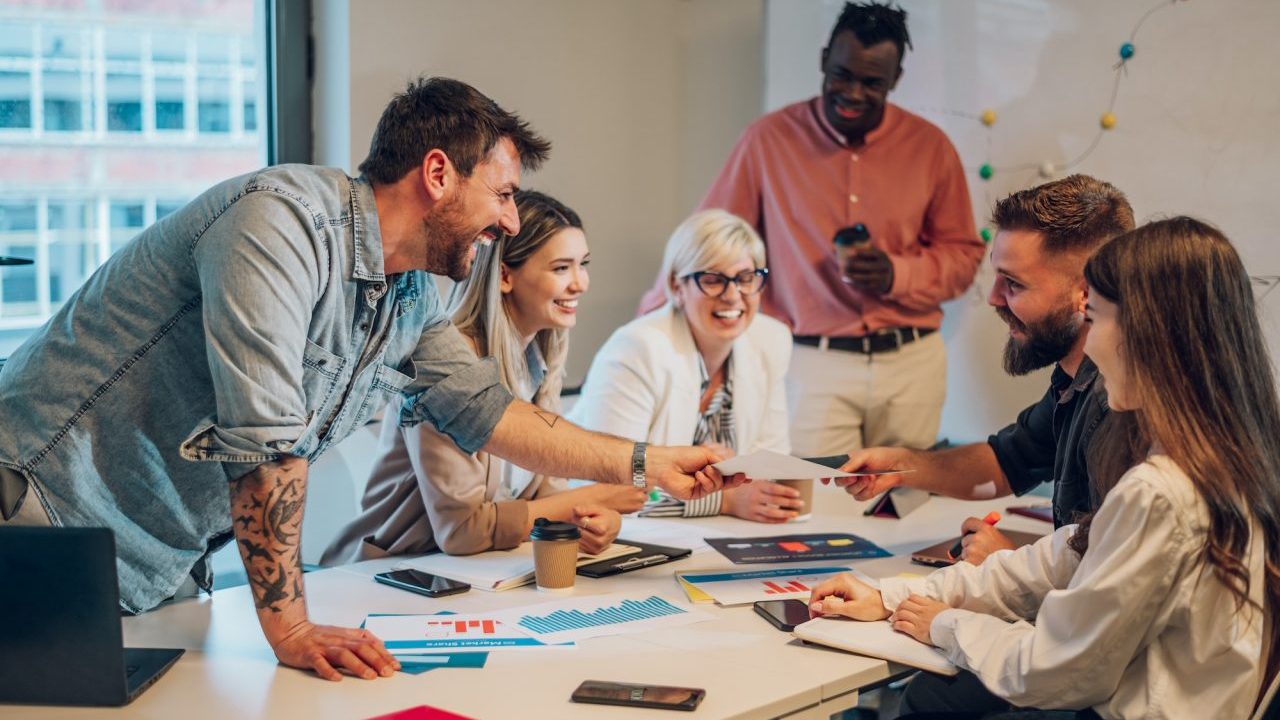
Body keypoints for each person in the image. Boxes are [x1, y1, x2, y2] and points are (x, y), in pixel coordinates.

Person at [0, 77, 736, 682]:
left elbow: (489, 413)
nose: (512, 221)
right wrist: (289, 627)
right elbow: (263, 442)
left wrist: (646, 462)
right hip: (33, 523)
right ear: (438, 173)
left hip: (139, 572)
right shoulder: (278, 224)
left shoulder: (407, 296)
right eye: (504, 194)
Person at [809, 217, 1279, 718]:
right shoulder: (1226, 454)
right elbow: (1064, 556)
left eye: (1094, 318)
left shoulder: (1161, 490)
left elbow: (1058, 669)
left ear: (1148, 333)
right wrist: (895, 595)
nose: (1090, 344)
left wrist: (943, 623)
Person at [639, 1, 983, 457]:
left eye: (872, 82)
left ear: (896, 79)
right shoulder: (767, 140)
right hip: (808, 362)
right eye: (842, 74)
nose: (853, 92)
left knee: (902, 507)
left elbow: (963, 258)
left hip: (911, 363)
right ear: (823, 60)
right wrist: (648, 328)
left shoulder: (932, 148)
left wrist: (895, 275)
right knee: (810, 505)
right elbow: (706, 240)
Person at [322, 190, 645, 565]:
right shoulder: (446, 365)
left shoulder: (539, 361)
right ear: (505, 275)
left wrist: (586, 520)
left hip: (478, 575)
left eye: (582, 264)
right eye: (561, 268)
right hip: (393, 575)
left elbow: (548, 497)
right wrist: (590, 498)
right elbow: (462, 531)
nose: (581, 283)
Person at [835, 175, 1134, 564]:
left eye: (1013, 284)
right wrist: (901, 467)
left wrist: (1011, 563)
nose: (993, 298)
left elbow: (1114, 573)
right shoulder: (1073, 378)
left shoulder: (1122, 401)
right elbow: (1006, 462)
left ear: (1085, 294)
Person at [571, 210, 800, 522]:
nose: (733, 296)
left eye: (746, 279)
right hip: (615, 536)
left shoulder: (771, 340)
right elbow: (611, 488)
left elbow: (772, 469)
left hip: (721, 535)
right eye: (712, 280)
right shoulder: (636, 349)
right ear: (677, 287)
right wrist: (724, 499)